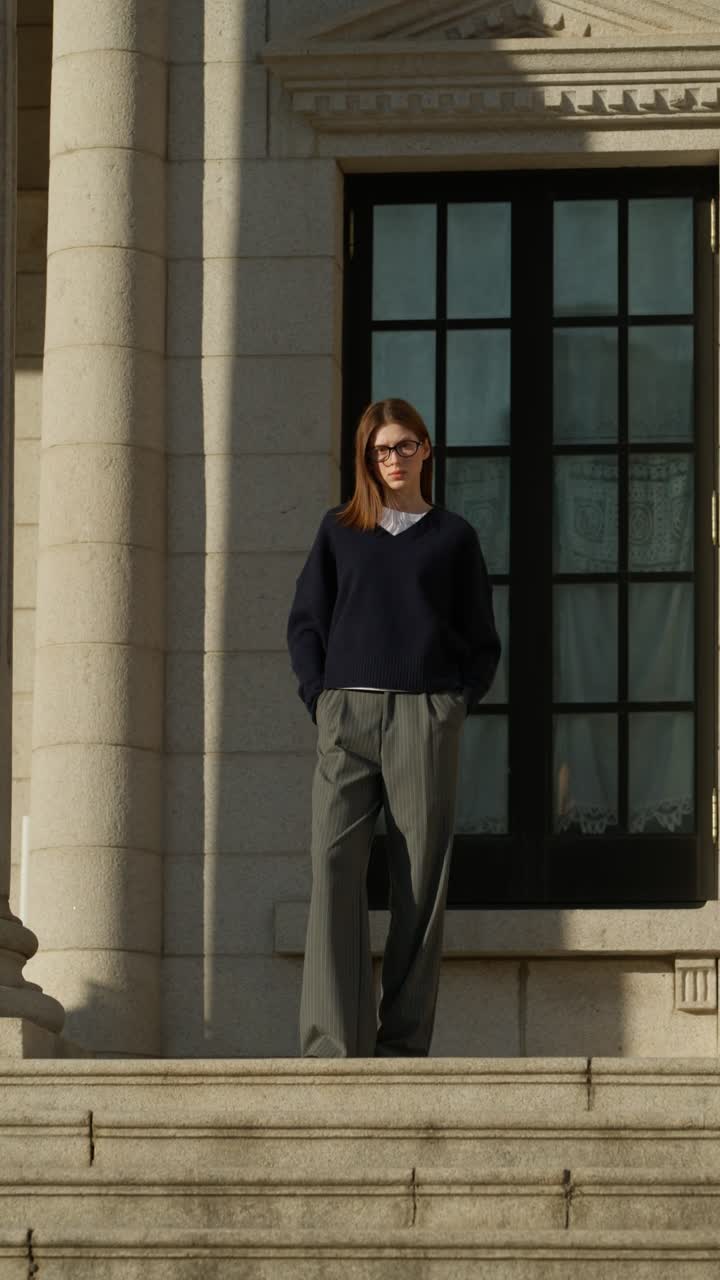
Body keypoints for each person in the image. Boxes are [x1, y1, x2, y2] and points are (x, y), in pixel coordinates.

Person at [286, 398, 501, 1058]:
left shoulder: (453, 538)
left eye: (406, 446)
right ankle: (330, 1043)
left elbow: (481, 640)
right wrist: (321, 699)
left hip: (423, 716)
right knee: (331, 867)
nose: (394, 459)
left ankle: (403, 1044)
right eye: (382, 449)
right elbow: (305, 623)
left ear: (426, 451)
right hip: (347, 714)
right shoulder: (339, 531)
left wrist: (451, 706)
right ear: (366, 458)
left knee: (418, 884)